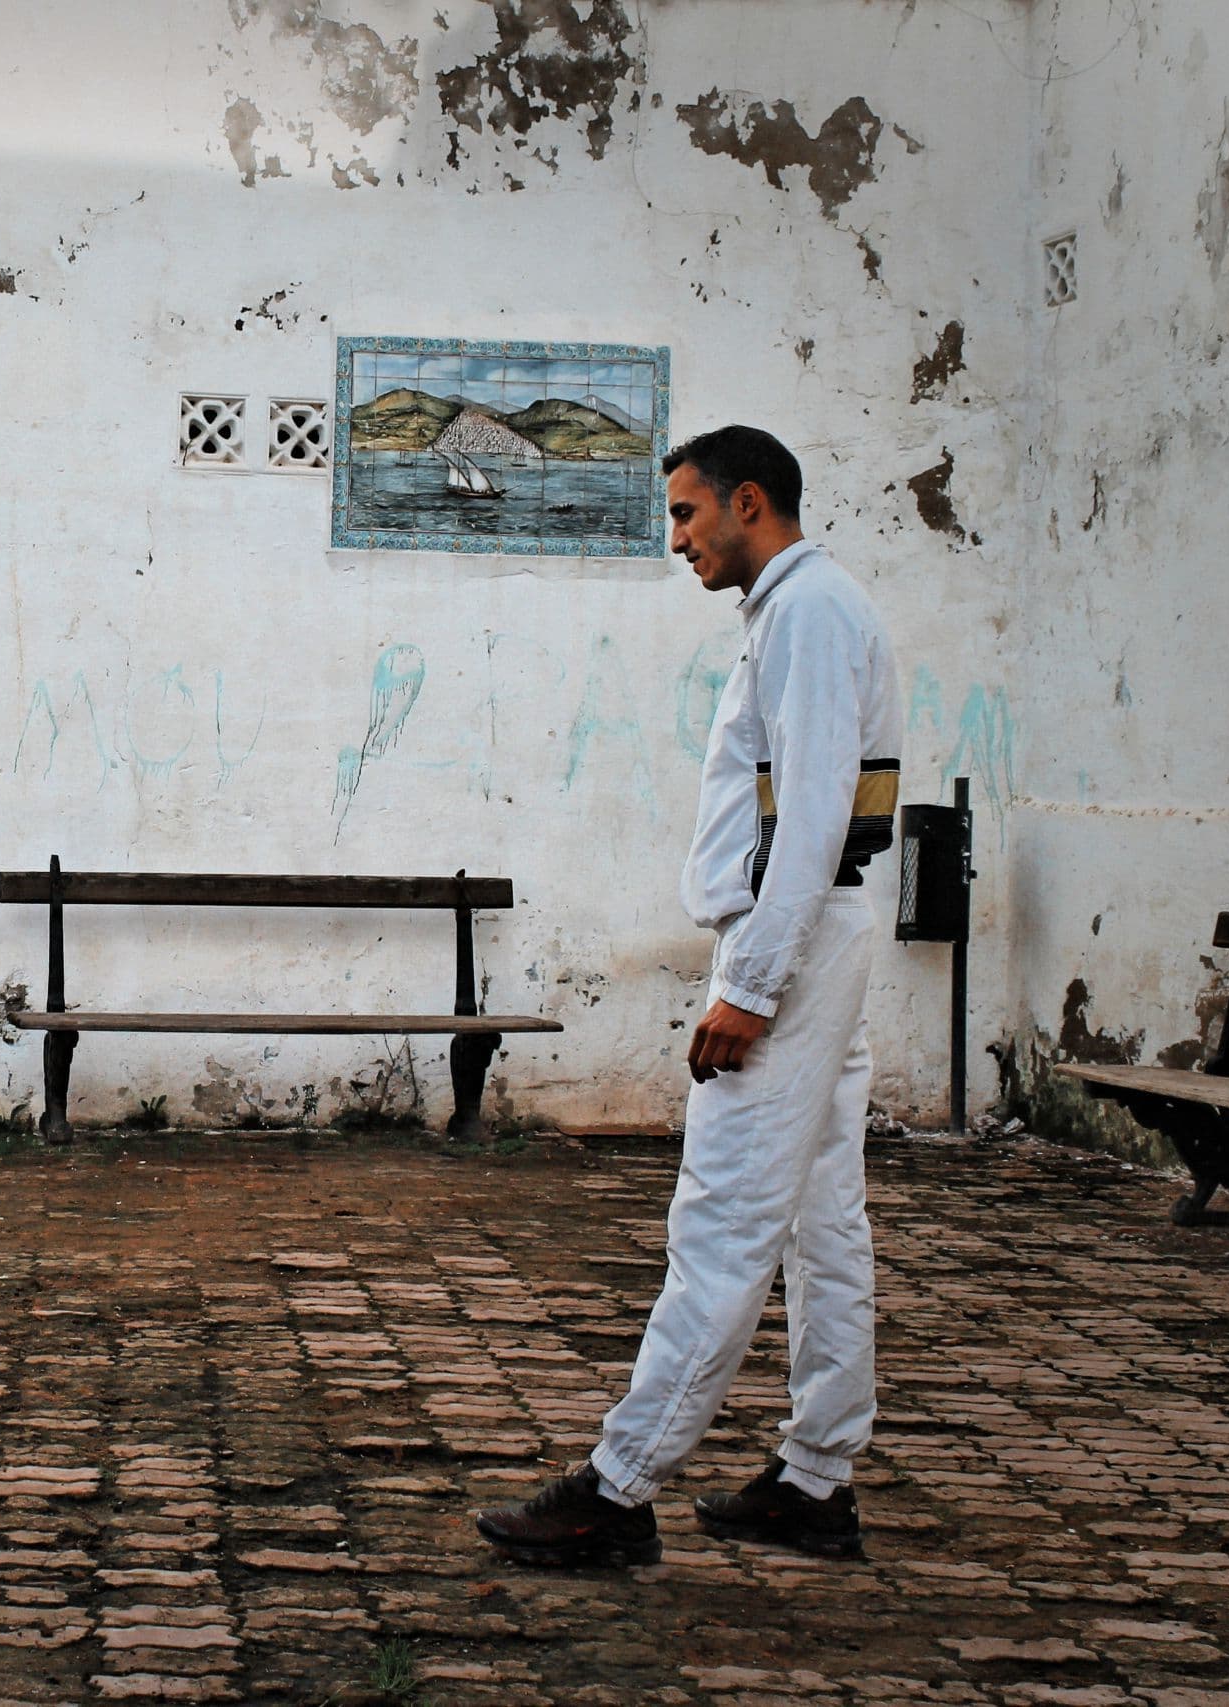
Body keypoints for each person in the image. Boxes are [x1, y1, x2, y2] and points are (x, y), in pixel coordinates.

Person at [475, 425, 905, 1567]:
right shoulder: (801, 610)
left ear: (747, 503)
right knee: (820, 1220)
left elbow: (810, 813)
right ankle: (814, 1481)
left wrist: (752, 985)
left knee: (721, 1220)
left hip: (790, 941)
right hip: (812, 929)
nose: (675, 539)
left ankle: (615, 1492)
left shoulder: (808, 613)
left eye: (685, 515)